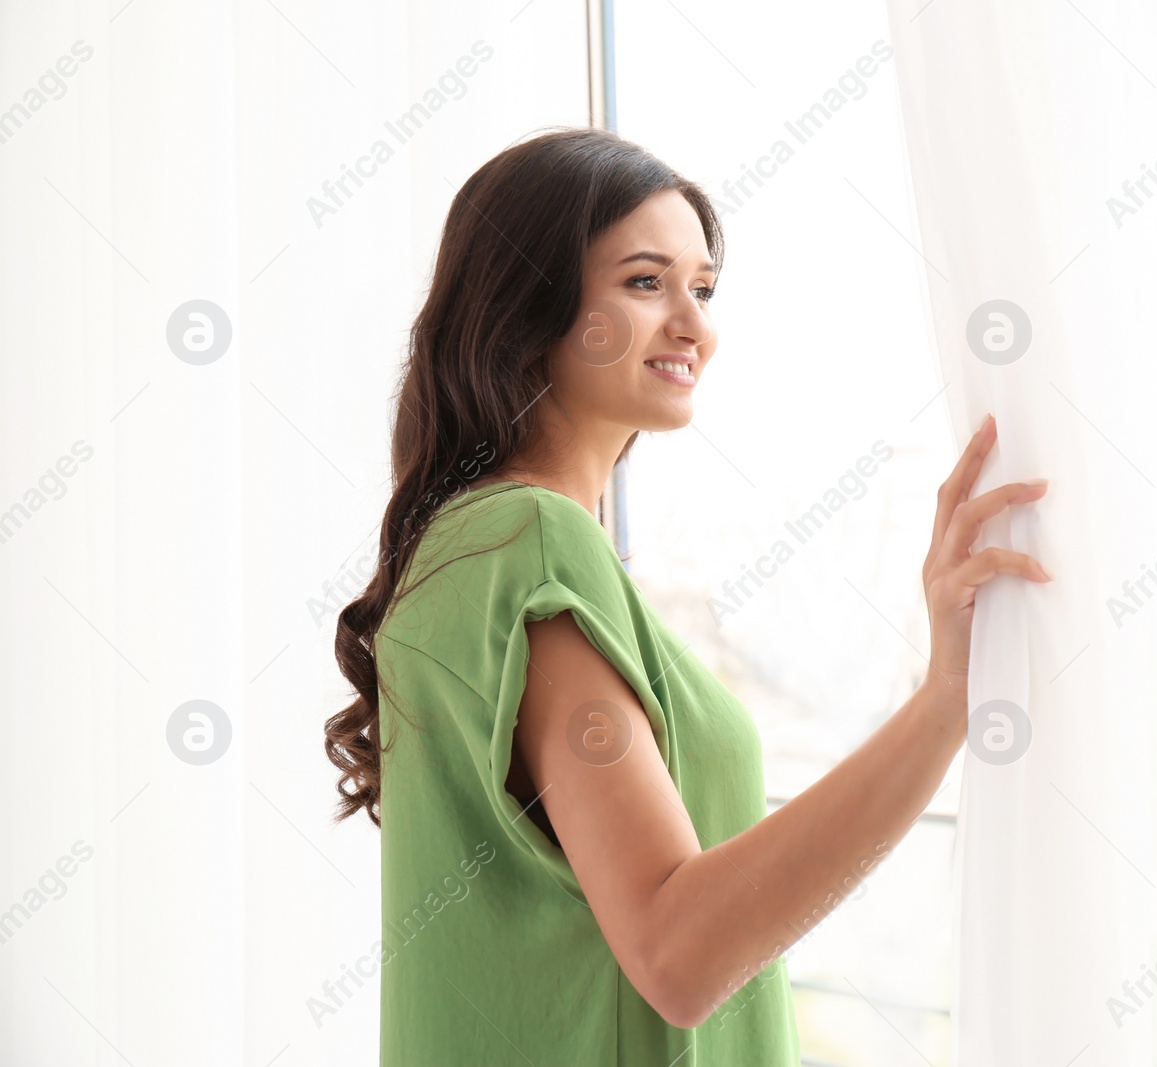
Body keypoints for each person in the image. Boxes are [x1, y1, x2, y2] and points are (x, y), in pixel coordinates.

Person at [324, 126, 1050, 1065]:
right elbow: (679, 949)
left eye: (701, 288)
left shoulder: (474, 545)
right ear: (528, 304)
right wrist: (947, 700)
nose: (695, 325)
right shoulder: (527, 542)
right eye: (644, 282)